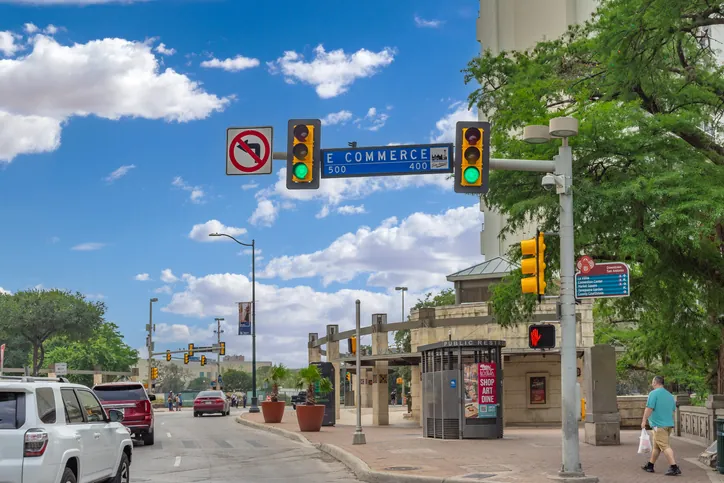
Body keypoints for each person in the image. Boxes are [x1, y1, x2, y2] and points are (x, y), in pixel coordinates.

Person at [641, 375, 681, 476]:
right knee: (657, 447)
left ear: (655, 382)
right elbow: (672, 410)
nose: (651, 383)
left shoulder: (653, 394)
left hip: (658, 425)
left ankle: (674, 467)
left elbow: (649, 408)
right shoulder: (669, 395)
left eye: (652, 382)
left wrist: (644, 420)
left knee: (665, 446)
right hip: (668, 425)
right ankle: (650, 465)